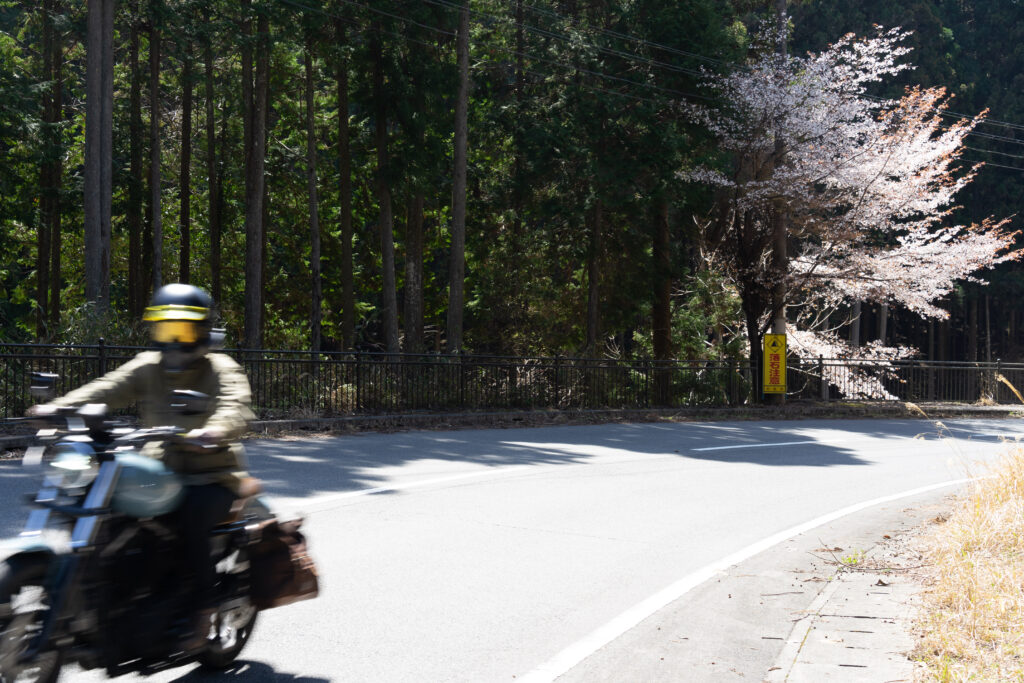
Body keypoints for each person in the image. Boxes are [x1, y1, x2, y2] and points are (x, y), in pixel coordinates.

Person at [31, 283, 255, 651]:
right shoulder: (148, 366)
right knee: (101, 504)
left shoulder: (220, 369)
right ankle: (104, 600)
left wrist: (214, 430)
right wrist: (59, 408)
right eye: (164, 330)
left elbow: (235, 404)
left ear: (200, 331)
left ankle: (204, 605)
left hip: (211, 476)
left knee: (191, 518)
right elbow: (106, 388)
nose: (172, 341)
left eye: (180, 330)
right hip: (160, 471)